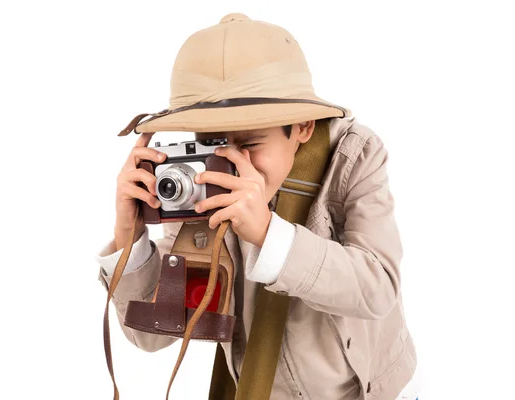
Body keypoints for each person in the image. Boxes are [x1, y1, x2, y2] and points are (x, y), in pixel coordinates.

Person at [96, 13, 421, 400]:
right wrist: (129, 237)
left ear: (302, 126)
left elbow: (378, 288)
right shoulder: (199, 177)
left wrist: (269, 235)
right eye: (212, 141)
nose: (232, 163)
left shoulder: (354, 156)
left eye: (249, 144)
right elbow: (152, 335)